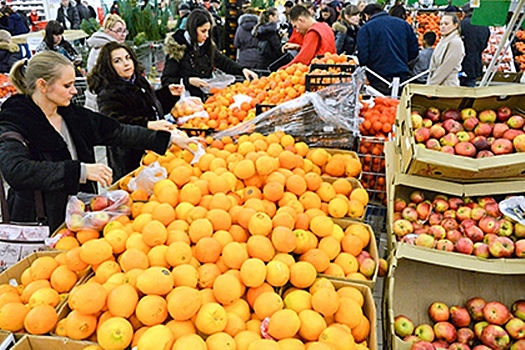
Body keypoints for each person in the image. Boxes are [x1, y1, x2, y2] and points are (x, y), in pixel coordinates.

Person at [0, 51, 200, 232]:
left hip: (81, 219)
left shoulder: (73, 116)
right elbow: (16, 170)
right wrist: (81, 171)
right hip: (42, 223)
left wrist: (168, 139)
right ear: (42, 85)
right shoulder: (16, 121)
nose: (74, 91)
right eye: (67, 85)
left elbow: (119, 132)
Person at [88, 42, 185, 181]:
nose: (126, 63)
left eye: (128, 58)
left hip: (153, 151)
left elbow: (149, 106)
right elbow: (115, 124)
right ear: (109, 66)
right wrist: (147, 124)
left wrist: (167, 94)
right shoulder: (108, 93)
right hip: (130, 160)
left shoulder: (138, 81)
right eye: (118, 61)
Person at [161, 9, 258, 102]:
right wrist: (188, 81)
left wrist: (242, 69)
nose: (206, 35)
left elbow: (223, 62)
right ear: (193, 29)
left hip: (206, 100)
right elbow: (166, 80)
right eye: (203, 31)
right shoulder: (177, 48)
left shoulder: (206, 45)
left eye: (208, 31)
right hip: (185, 103)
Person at [356, 3, 418, 95]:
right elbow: (414, 50)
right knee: (399, 104)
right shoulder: (404, 24)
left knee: (381, 106)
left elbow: (363, 55)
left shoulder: (366, 28)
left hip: (378, 76)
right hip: (402, 74)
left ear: (366, 16)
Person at [84, 14, 127, 111]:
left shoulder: (99, 45)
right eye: (119, 31)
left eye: (124, 31)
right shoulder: (106, 50)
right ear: (108, 31)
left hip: (95, 99)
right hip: (101, 102)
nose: (123, 34)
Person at [280, 5, 336, 69]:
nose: (297, 31)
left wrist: (281, 70)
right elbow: (320, 50)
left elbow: (303, 60)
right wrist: (299, 47)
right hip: (331, 69)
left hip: (319, 72)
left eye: (295, 26)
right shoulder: (325, 26)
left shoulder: (313, 32)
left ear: (300, 20)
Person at [427, 13, 465, 86]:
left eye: (446, 24)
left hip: (447, 87)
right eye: (441, 24)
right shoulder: (442, 41)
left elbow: (446, 68)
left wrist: (431, 85)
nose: (443, 26)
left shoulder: (456, 42)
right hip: (436, 86)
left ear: (455, 25)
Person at [459, 4, 490, 87]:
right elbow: (484, 45)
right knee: (470, 91)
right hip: (475, 64)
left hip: (461, 64)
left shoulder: (461, 24)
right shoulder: (484, 26)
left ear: (464, 13)